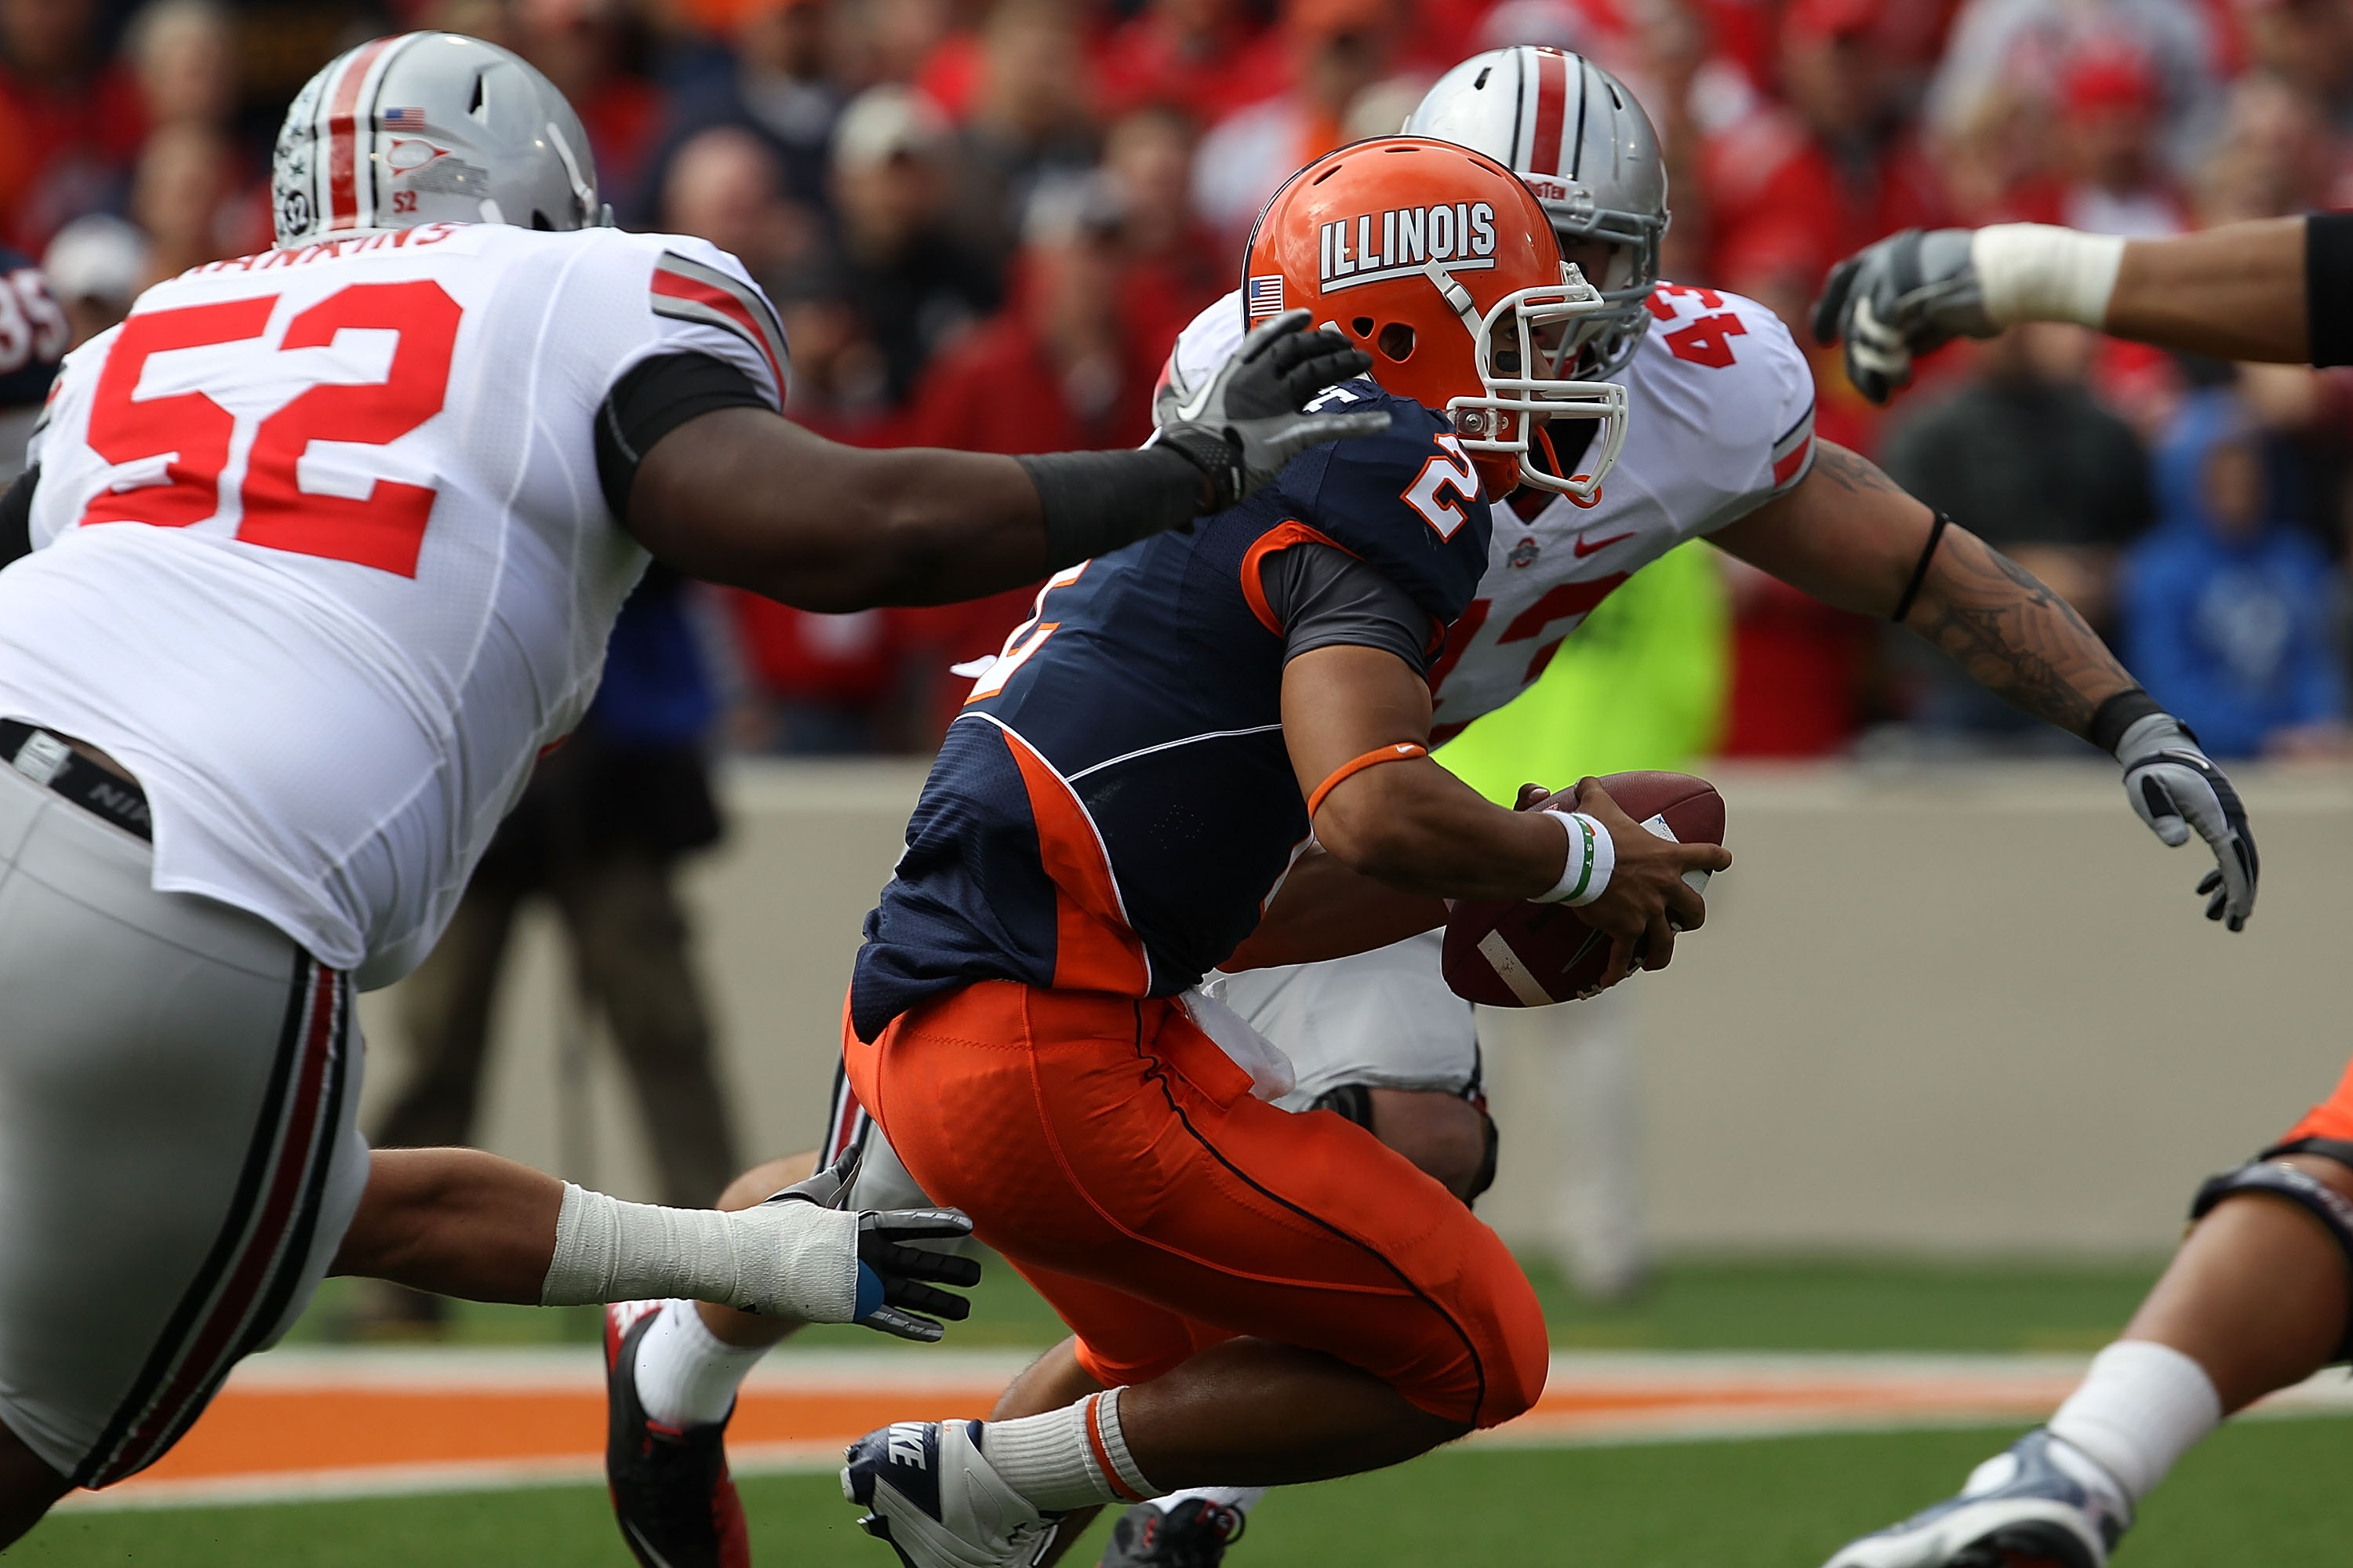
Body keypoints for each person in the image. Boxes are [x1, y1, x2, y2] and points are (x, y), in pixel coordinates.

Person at [606, 49, 2265, 1568]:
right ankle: (678, 1355)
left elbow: (1889, 546)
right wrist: (1562, 851)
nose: (1576, 304)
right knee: (886, 1205)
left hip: (1344, 799)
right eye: (1529, 253)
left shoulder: (1685, 383)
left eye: (1605, 259)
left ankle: (1097, 1483)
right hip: (1168, 805)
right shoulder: (1315, 391)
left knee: (1413, 1146)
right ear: (1403, 269)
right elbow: (1306, 736)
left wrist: (2119, 710)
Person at [0, 29, 1383, 1548]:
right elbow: (851, 530)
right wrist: (1182, 473)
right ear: (542, 196)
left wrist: (753, 1259)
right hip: (183, 889)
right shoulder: (576, 295)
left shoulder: (140, 339)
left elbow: (353, 1205)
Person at [2119, 389, 2346, 759]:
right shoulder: (2156, 570)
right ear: (2187, 478)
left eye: (2248, 477)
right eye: (2222, 479)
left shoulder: (2297, 559)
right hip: (2201, 760)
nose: (2238, 494)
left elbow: (2316, 663)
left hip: (2302, 758)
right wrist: (2262, 740)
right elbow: (2166, 684)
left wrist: (2317, 728)